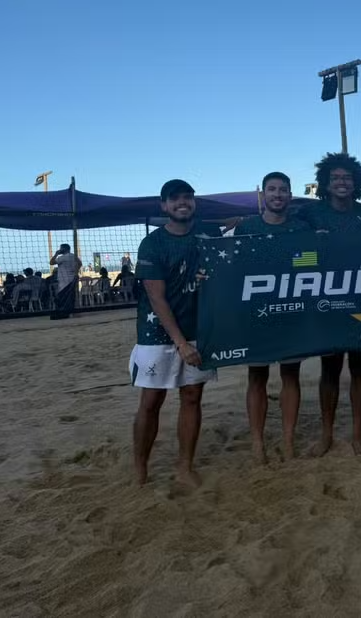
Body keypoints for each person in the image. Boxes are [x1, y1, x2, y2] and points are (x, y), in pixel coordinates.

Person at [129, 179, 219, 487]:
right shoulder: (153, 244)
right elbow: (156, 297)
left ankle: (185, 466)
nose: (183, 202)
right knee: (152, 400)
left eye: (188, 197)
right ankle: (140, 467)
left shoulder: (210, 234)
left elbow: (230, 260)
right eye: (175, 199)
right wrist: (180, 344)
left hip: (198, 328)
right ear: (164, 206)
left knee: (192, 397)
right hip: (158, 333)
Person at [299, 152, 361, 456]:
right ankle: (326, 434)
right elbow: (295, 256)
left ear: (356, 182)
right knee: (329, 369)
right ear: (325, 184)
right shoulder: (309, 215)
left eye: (347, 178)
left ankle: (357, 432)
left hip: (360, 302)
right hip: (325, 301)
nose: (342, 182)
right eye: (336, 178)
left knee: (359, 368)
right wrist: (314, 250)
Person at [234, 172, 312, 462]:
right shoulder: (246, 228)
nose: (278, 194)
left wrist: (287, 260)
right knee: (257, 376)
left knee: (291, 375)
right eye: (272, 189)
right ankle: (257, 442)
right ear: (263, 195)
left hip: (291, 310)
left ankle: (288, 439)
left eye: (283, 190)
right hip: (257, 313)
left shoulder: (301, 228)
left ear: (290, 195)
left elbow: (312, 261)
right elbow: (235, 266)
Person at [49, 243, 82, 319]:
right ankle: (70, 312)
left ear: (64, 249)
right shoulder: (73, 256)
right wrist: (75, 272)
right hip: (72, 279)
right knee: (71, 297)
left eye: (61, 248)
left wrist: (56, 254)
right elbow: (80, 263)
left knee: (62, 297)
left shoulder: (63, 257)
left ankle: (64, 313)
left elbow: (51, 262)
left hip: (64, 280)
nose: (60, 250)